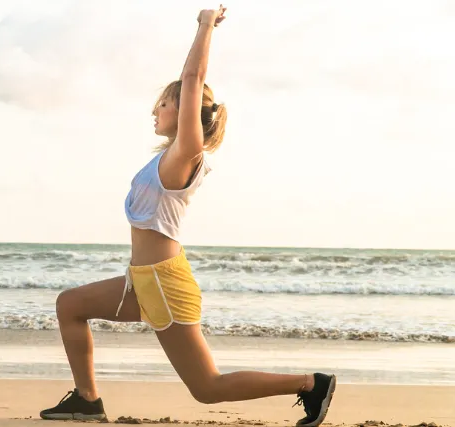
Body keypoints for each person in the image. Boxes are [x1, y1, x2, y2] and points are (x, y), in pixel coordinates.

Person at [39, 5, 336, 427]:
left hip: (163, 282)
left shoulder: (184, 154)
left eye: (162, 104)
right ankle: (87, 400)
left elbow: (193, 79)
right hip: (143, 280)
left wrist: (204, 25)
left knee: (207, 388)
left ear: (183, 110)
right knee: (70, 304)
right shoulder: (162, 161)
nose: (154, 112)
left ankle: (311, 384)